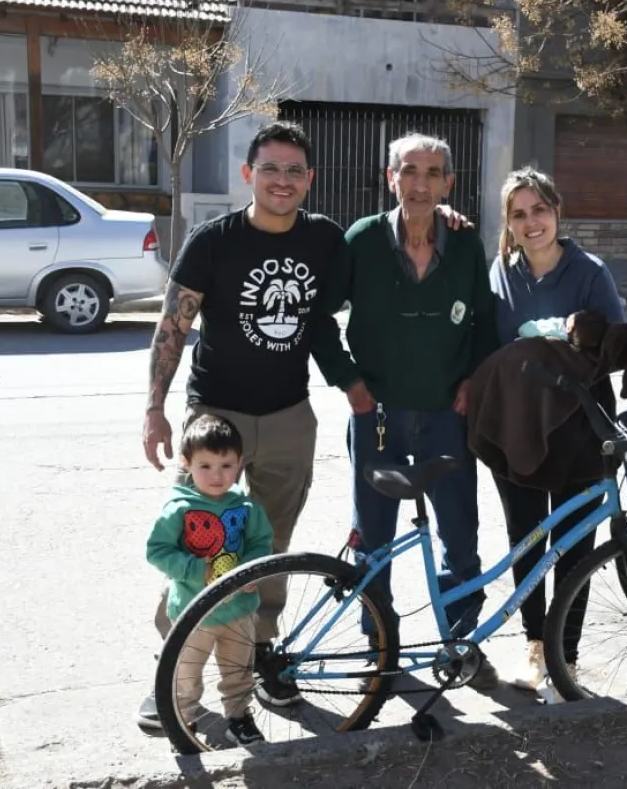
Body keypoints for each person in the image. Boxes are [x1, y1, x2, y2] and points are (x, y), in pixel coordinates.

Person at [137, 120, 472, 729]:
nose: (282, 181)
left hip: (289, 415)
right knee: (203, 541)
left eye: (294, 171)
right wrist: (155, 408)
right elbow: (172, 326)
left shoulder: (323, 239)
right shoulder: (213, 241)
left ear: (310, 180)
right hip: (218, 415)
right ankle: (175, 664)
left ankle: (259, 660)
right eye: (271, 169)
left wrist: (442, 215)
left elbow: (382, 255)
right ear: (249, 175)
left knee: (266, 547)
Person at [318, 132, 501, 689]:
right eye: (410, 171)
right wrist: (349, 382)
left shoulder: (466, 244)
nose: (420, 183)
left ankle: (461, 640)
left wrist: (472, 378)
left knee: (459, 531)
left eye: (433, 173)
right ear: (390, 178)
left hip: (447, 414)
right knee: (373, 535)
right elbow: (320, 319)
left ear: (448, 183)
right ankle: (379, 643)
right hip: (377, 417)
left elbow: (484, 325)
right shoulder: (362, 241)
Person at [487, 166, 625, 693]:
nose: (531, 221)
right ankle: (534, 648)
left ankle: (566, 654)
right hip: (517, 429)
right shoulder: (500, 271)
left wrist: (571, 346)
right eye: (519, 214)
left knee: (574, 545)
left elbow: (614, 348)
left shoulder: (590, 272)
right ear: (509, 222)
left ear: (556, 210)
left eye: (538, 209)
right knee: (526, 540)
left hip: (579, 429)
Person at [145, 413, 273, 746]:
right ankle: (182, 719)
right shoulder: (179, 508)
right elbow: (157, 551)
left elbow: (262, 544)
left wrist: (250, 570)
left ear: (239, 463)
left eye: (226, 465)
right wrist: (192, 568)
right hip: (192, 612)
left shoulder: (247, 507)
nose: (217, 476)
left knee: (239, 671)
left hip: (240, 609)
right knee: (186, 673)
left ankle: (239, 716)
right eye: (206, 466)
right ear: (186, 463)